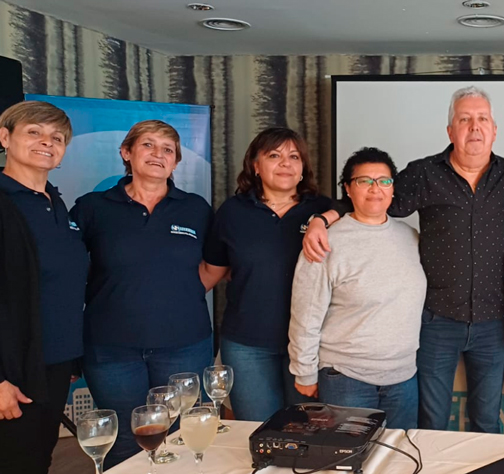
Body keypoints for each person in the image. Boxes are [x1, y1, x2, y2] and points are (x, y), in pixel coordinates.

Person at [301, 86, 504, 432]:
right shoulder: (425, 174)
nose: (474, 127)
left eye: (482, 119)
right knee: (431, 423)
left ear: (494, 129)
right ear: (450, 131)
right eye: (465, 119)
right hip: (436, 322)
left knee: (487, 421)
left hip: (493, 321)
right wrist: (324, 219)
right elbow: (373, 195)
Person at [70, 120, 213, 468]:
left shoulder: (196, 208)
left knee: (181, 437)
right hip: (112, 349)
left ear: (176, 162)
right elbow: (66, 269)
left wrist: (175, 294)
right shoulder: (93, 207)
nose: (158, 154)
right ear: (126, 153)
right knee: (124, 443)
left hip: (184, 345)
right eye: (148, 145)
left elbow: (216, 263)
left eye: (168, 149)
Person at [199, 128, 332, 421]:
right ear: (256, 166)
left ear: (303, 168)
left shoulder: (323, 209)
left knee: (306, 436)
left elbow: (354, 207)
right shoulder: (233, 212)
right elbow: (211, 271)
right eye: (274, 155)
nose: (286, 163)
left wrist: (324, 219)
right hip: (247, 347)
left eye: (294, 156)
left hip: (310, 348)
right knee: (259, 434)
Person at [288, 147, 426, 429]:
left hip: (403, 379)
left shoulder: (411, 238)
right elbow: (306, 312)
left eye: (384, 181)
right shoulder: (326, 241)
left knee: (398, 461)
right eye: (364, 181)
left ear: (392, 188)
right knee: (348, 463)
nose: (375, 189)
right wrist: (304, 372)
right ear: (348, 189)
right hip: (346, 378)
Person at [0, 101, 88, 474]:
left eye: (56, 137)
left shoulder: (57, 204)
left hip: (53, 364)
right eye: (33, 132)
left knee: (38, 458)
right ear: (5, 137)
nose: (46, 143)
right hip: (12, 371)